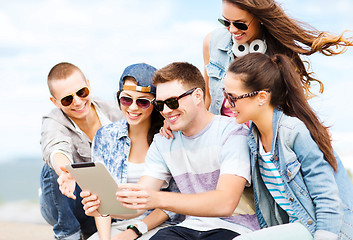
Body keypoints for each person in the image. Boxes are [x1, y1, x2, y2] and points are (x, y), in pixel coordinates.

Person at [81, 62, 260, 240]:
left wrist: (157, 199)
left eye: (172, 102)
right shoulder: (163, 142)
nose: (166, 111)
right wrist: (103, 206)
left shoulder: (231, 133)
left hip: (235, 229)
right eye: (160, 105)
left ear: (198, 95)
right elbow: (138, 203)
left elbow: (225, 203)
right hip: (188, 227)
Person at [222, 52, 353, 240]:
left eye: (233, 97)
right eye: (225, 94)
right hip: (295, 226)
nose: (228, 103)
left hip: (324, 228)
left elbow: (327, 197)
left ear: (261, 97)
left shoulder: (294, 132)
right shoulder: (252, 138)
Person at [203, 0, 353, 116]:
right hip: (221, 143)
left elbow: (290, 107)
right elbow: (207, 99)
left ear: (259, 18)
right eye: (225, 22)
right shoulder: (212, 42)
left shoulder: (279, 54)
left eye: (240, 24)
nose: (232, 30)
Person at [87, 63, 183, 240]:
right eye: (126, 99)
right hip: (118, 223)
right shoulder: (105, 136)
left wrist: (133, 232)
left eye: (143, 102)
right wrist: (105, 238)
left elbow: (175, 199)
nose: (132, 107)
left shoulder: (168, 137)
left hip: (161, 225)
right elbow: (101, 198)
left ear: (155, 104)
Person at [40, 62, 122, 240]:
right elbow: (54, 146)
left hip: (104, 204)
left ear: (89, 85)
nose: (77, 101)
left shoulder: (114, 111)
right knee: (53, 170)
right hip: (70, 201)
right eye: (67, 99)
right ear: (55, 102)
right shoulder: (53, 121)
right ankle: (68, 234)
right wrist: (66, 171)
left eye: (81, 92)